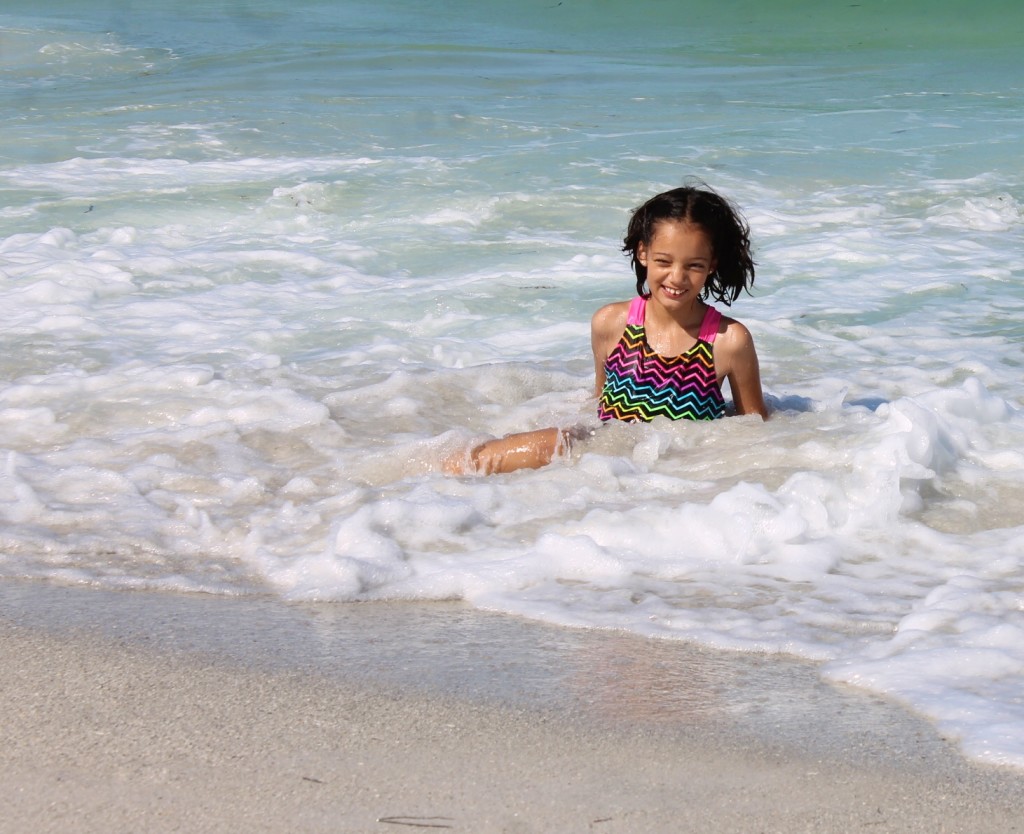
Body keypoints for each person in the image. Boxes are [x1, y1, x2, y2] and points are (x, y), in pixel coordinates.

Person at [447, 184, 767, 475]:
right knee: (521, 449)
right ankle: (424, 483)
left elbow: (755, 428)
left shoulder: (728, 341)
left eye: (694, 265)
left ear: (712, 264)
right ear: (643, 254)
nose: (677, 277)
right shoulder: (610, 323)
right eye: (664, 261)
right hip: (605, 465)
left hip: (677, 471)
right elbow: (600, 399)